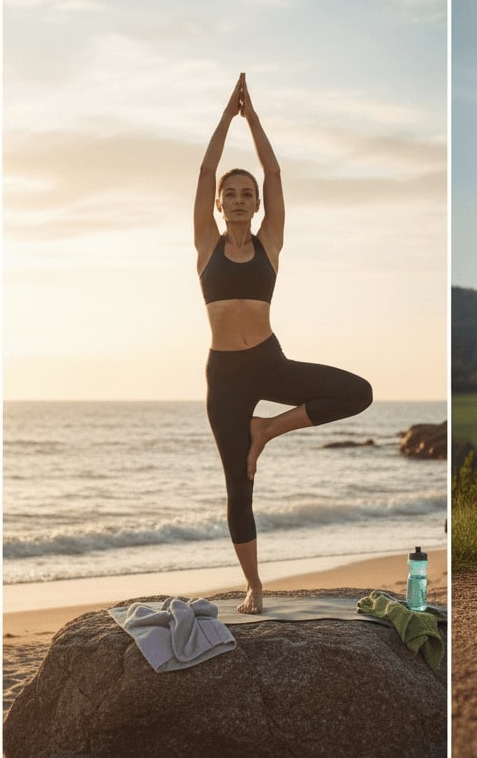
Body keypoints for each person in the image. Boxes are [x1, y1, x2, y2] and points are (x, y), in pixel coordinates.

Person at [195, 74, 372, 614]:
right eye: (233, 194)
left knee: (357, 392)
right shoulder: (207, 245)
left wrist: (255, 119)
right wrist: (228, 116)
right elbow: (205, 171)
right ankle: (254, 584)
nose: (243, 200)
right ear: (221, 205)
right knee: (237, 487)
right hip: (225, 375)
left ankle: (267, 429)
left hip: (269, 362)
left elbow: (274, 172)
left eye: (248, 195)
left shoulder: (271, 243)